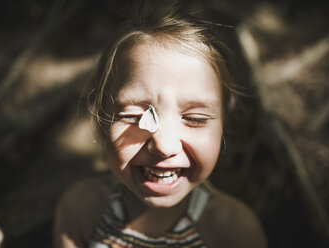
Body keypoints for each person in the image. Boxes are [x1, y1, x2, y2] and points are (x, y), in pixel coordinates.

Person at [54, 1, 267, 247]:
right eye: (134, 117)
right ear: (103, 120)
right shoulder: (81, 211)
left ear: (222, 125)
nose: (164, 146)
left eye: (194, 119)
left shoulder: (232, 232)